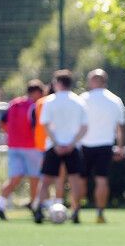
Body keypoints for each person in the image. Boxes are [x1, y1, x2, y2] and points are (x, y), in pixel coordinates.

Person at [33, 70, 88, 224]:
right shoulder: (79, 101)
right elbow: (84, 127)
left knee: (46, 181)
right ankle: (76, 211)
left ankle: (39, 210)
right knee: (74, 180)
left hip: (53, 146)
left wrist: (57, 144)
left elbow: (45, 124)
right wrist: (71, 143)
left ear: (57, 83)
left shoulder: (49, 101)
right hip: (73, 147)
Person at [79, 69, 125, 224]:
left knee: (80, 179)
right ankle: (100, 213)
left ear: (91, 81)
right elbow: (120, 127)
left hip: (84, 145)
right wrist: (120, 147)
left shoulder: (82, 98)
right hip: (105, 146)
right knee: (101, 180)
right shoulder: (115, 100)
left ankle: (75, 210)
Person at [0, 80, 46, 221]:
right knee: (35, 178)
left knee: (14, 179)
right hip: (31, 147)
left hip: (13, 146)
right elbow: (36, 128)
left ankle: (0, 204)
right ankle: (35, 207)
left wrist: (11, 134)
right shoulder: (34, 107)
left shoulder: (13, 103)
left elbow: (1, 123)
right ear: (36, 93)